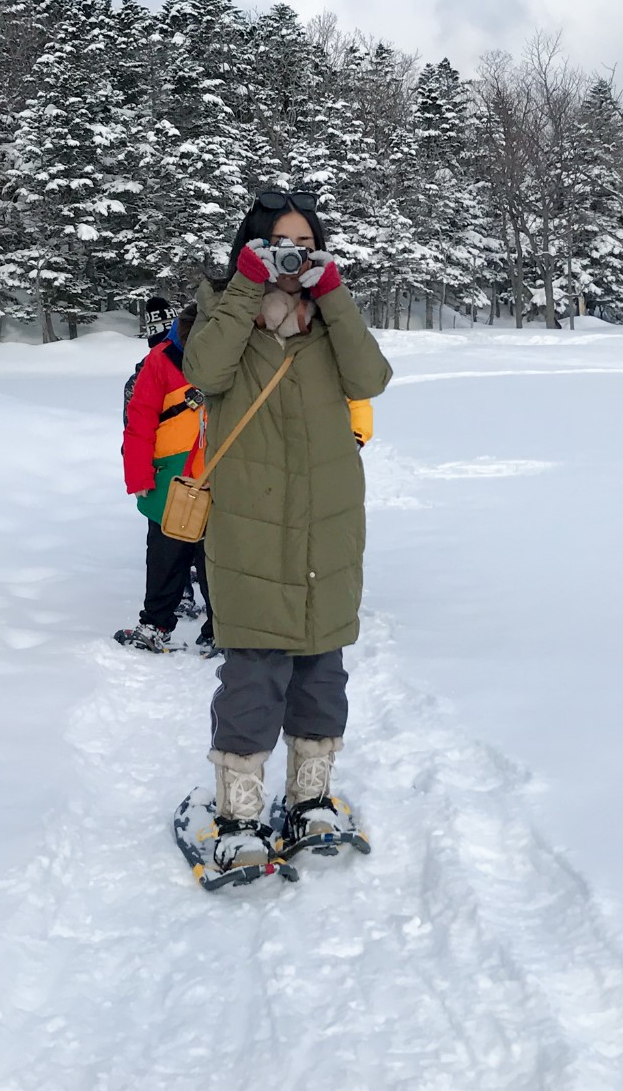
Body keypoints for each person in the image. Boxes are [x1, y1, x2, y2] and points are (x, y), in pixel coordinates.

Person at [180, 190, 392, 873]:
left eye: (307, 245)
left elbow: (371, 378)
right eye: (281, 244)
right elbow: (204, 371)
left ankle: (309, 799)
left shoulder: (331, 324)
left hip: (326, 524)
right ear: (252, 246)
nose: (294, 257)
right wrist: (248, 283)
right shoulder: (224, 314)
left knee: (321, 670)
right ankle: (240, 814)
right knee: (253, 673)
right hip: (251, 528)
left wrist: (334, 294)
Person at [115, 296, 215, 654]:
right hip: (171, 478)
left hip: (223, 476)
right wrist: (140, 476)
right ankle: (156, 624)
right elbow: (139, 422)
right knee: (166, 555)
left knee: (216, 559)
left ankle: (220, 628)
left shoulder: (239, 356)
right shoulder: (161, 361)